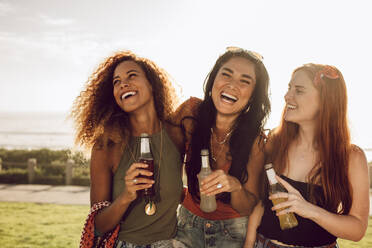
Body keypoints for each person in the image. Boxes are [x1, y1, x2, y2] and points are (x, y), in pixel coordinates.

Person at [245, 63, 369, 248]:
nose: (287, 96)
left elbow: (358, 229)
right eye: (289, 88)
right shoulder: (274, 142)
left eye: (299, 90)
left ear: (325, 100)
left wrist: (309, 210)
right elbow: (258, 202)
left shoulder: (352, 157)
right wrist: (249, 242)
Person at [72, 50, 184, 248]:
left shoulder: (177, 134)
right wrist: (126, 196)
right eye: (116, 81)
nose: (123, 84)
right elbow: (98, 225)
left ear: (152, 83)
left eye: (132, 75)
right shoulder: (106, 145)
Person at [173, 47, 271, 248]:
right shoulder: (190, 113)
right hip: (187, 225)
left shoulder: (256, 141)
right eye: (226, 74)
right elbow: (163, 158)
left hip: (232, 233)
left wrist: (235, 186)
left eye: (245, 81)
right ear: (213, 82)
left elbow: (248, 206)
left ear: (253, 95)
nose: (232, 85)